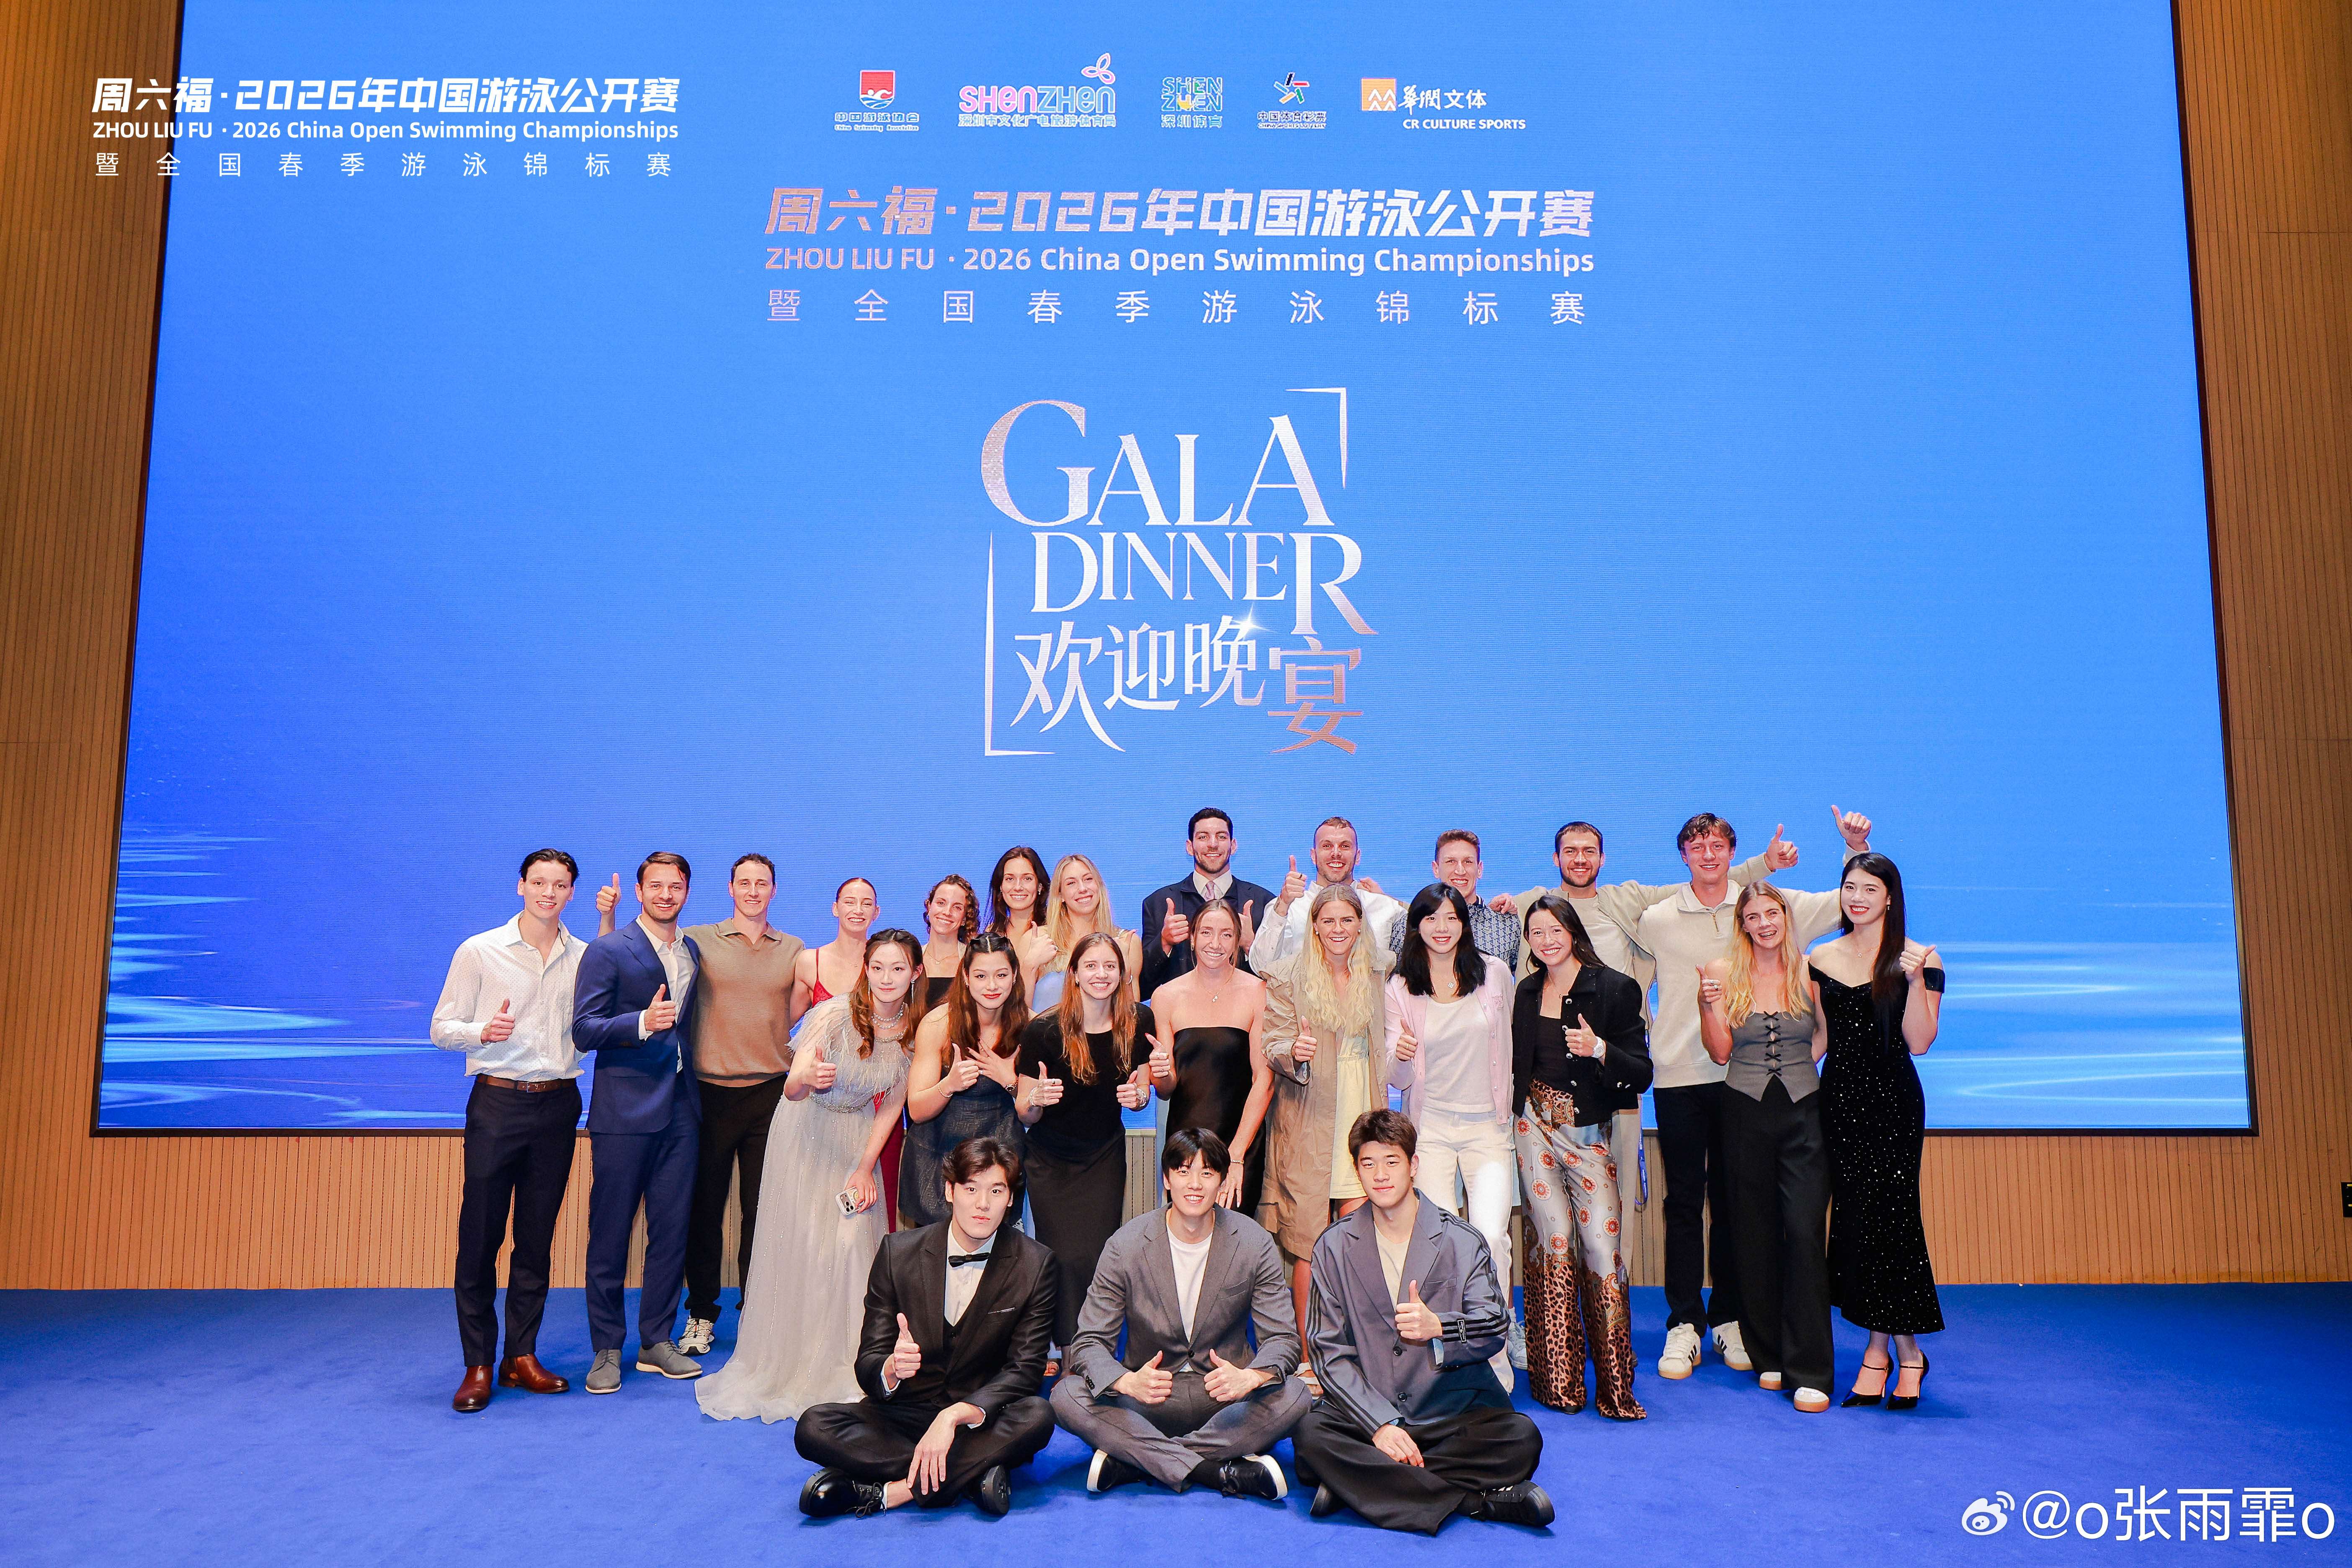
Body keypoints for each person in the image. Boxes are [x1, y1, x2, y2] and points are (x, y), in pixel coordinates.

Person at [1490, 822, 1784, 1307]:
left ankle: (1612, 1308)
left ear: (1602, 859)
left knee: (1616, 1200)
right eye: (1570, 851)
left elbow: (1702, 881)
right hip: (1547, 1093)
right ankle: (1564, 1312)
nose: (1580, 859)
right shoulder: (1530, 905)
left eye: (1589, 851)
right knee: (1551, 1218)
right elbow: (1453, 917)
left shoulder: (1625, 901)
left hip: (1615, 1076)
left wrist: (1764, 866)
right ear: (1556, 858)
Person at [1633, 807, 1872, 1380]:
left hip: (1750, 1087)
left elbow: (1847, 904)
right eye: (1697, 847)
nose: (1708, 855)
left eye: (1718, 845)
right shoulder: (1657, 918)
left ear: (1732, 853)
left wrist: (1854, 849)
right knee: (1683, 1203)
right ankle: (1684, 1323)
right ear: (1683, 856)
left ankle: (1730, 1317)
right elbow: (1627, 973)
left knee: (1739, 1209)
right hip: (1683, 1076)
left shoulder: (1770, 904)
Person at [695, 929, 926, 1421]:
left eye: (898, 968)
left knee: (851, 1247)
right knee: (805, 1245)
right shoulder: (834, 1014)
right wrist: (808, 1079)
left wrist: (865, 1167)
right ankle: (793, 1361)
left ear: (916, 973)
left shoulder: (914, 1030)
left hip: (857, 1138)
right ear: (866, 970)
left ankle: (851, 1362)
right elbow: (793, 1087)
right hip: (806, 1133)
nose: (886, 978)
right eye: (878, 968)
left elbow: (893, 1105)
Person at [1292, 1111, 1551, 1533]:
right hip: (1371, 1413)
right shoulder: (1333, 1246)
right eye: (1368, 1163)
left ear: (1413, 1165)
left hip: (1451, 1413)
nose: (1380, 1175)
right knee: (1309, 1434)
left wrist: (1441, 1328)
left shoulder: (1462, 1239)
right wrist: (1379, 1424)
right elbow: (1327, 1352)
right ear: (1357, 1170)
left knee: (1521, 1440)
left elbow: (1494, 1326)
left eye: (1391, 1161)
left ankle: (1357, 1484)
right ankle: (1473, 1502)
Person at [430, 847, 614, 1412]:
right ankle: (478, 1363)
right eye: (539, 883)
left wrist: (608, 923)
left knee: (536, 1240)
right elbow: (441, 1028)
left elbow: (599, 1016)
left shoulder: (584, 956)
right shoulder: (480, 950)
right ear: (521, 886)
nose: (548, 893)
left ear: (572, 893)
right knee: (480, 1238)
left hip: (558, 1106)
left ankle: (521, 1356)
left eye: (560, 885)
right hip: (498, 1103)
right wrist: (482, 1031)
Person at [796, 1137, 1058, 1518]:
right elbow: (868, 1362)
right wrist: (890, 1368)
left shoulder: (1036, 1264)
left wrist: (953, 1416)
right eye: (971, 1189)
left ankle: (893, 1492)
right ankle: (971, 1474)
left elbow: (1025, 1370)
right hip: (905, 1414)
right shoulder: (898, 1253)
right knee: (813, 1426)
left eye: (996, 1191)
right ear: (950, 1191)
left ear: (1011, 1199)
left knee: (1038, 1416)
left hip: (977, 1419)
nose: (983, 1204)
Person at [1052, 1128, 1310, 1499]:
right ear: (1167, 1179)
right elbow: (1089, 1342)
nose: (1195, 1184)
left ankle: (1137, 1460)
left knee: (1296, 1394)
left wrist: (1251, 1377)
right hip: (1147, 1399)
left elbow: (1284, 1339)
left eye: (1207, 1173)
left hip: (1227, 1400)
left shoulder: (1254, 1243)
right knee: (1067, 1395)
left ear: (1222, 1181)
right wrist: (1126, 1383)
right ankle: (1215, 1470)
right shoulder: (1125, 1245)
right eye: (1184, 1171)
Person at [1808, 852, 1943, 1411]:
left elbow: (1920, 1041)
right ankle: (1899, 1353)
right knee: (1859, 1226)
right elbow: (1820, 1039)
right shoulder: (1820, 957)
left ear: (1890, 897)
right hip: (1838, 1103)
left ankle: (1881, 1354)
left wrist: (1912, 980)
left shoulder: (1920, 956)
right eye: (1850, 887)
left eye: (1870, 888)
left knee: (1893, 1223)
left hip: (1893, 1104)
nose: (1857, 897)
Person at [570, 852, 705, 1394]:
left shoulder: (691, 950)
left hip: (682, 1110)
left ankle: (656, 1341)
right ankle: (606, 1347)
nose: (666, 895)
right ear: (641, 891)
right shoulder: (608, 949)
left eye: (676, 886)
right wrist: (642, 1023)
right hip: (624, 1112)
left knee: (671, 1232)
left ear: (687, 892)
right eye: (657, 886)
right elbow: (584, 1029)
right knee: (610, 1234)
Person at [1512, 895, 1651, 1418]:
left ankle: (1616, 1387)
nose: (1547, 941)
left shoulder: (1615, 987)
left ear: (1573, 932)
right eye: (1537, 932)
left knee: (1601, 1250)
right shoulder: (1527, 991)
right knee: (1553, 1242)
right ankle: (1558, 1384)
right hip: (1533, 1129)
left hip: (1589, 1135)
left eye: (1556, 930)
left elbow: (1641, 1072)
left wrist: (1600, 1050)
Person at [1699, 882, 1833, 1412]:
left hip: (1804, 1112)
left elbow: (1823, 1037)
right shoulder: (1722, 971)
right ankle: (1768, 1353)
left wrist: (1798, 1071)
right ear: (1743, 925)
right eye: (1752, 916)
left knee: (1803, 1233)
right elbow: (1719, 1052)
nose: (1764, 924)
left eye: (1771, 913)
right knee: (1753, 1235)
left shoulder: (1811, 970)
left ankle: (1811, 1368)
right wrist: (1709, 1007)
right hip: (1743, 1111)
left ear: (1785, 915)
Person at [676, 853, 807, 1359]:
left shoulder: (793, 949)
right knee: (704, 1211)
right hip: (708, 1093)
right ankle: (701, 1314)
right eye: (745, 882)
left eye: (763, 883)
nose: (753, 891)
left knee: (762, 1211)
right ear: (730, 888)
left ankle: (756, 1313)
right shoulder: (698, 940)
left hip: (769, 1095)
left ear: (774, 890)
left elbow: (800, 1010)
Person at [1386, 882, 1518, 1382]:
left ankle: (1495, 1353)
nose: (1442, 928)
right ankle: (1448, 1356)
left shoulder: (1495, 974)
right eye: (1431, 918)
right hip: (1432, 1131)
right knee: (1440, 1244)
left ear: (1465, 923)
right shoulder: (1400, 987)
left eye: (1451, 918)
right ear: (1416, 926)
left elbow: (1511, 1044)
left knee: (1491, 1237)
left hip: (1488, 1128)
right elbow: (1397, 1079)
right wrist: (1400, 1056)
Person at [1260, 883, 1395, 1357]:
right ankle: (1307, 1355)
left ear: (1360, 925)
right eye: (1328, 921)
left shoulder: (1379, 971)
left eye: (1347, 920)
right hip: (1310, 1118)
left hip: (1365, 1117)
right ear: (1314, 926)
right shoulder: (1287, 976)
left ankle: (1355, 1352)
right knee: (1309, 1245)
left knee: (1358, 1241)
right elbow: (1272, 1044)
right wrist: (1293, 1051)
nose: (1338, 929)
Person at [1017, 930, 1154, 1354]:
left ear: (1122, 973)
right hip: (1050, 1159)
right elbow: (1024, 1110)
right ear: (1073, 974)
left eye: (1110, 966)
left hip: (1104, 1156)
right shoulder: (1043, 1030)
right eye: (1091, 966)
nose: (1101, 974)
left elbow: (1143, 1090)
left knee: (1095, 1257)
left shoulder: (1139, 1022)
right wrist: (1037, 1100)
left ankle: (1093, 1351)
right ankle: (1068, 1353)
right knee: (1063, 1258)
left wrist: (1139, 1098)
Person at [1145, 901, 1271, 1215]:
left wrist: (1237, 1155)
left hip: (1241, 1142)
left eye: (1226, 934)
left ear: (1238, 940)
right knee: (1186, 1232)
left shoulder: (1258, 992)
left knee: (1235, 1236)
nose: (1215, 943)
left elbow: (1264, 1081)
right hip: (1185, 1146)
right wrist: (1160, 1072)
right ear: (1192, 938)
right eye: (1206, 933)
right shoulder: (1166, 996)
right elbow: (1166, 1088)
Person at [901, 933, 1029, 1230]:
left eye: (1001, 975)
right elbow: (917, 1110)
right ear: (966, 978)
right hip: (939, 1157)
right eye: (981, 976)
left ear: (1014, 976)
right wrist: (949, 1085)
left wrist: (1010, 1081)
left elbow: (1035, 1114)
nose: (992, 986)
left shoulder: (1032, 1026)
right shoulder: (938, 1024)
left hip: (1001, 1157)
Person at [1138, 807, 1275, 999]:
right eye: (1203, 837)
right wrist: (1164, 943)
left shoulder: (1264, 902)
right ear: (1190, 847)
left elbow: (1277, 986)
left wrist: (1250, 946)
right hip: (1180, 1014)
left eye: (1221, 837)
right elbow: (1141, 988)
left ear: (1233, 845)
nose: (1213, 844)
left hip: (1245, 1014)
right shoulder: (1158, 903)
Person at [1248, 817, 1406, 971]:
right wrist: (1283, 904)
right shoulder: (1289, 907)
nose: (1336, 853)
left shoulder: (1385, 906)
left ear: (1357, 857)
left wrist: (1391, 900)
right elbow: (1262, 967)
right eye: (1327, 846)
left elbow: (1421, 923)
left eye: (1345, 846)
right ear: (1313, 856)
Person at [1387, 831, 1519, 970]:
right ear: (1436, 869)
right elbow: (1394, 977)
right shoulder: (1407, 925)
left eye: (1468, 862)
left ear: (1479, 869)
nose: (1460, 871)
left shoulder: (1505, 923)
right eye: (1451, 862)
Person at [1030, 853, 1144, 1012]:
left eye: (1089, 879)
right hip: (1045, 1028)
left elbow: (1133, 1015)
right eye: (1072, 883)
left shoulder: (1127, 943)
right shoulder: (1037, 939)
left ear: (1099, 886)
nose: (1083, 889)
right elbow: (1019, 1011)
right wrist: (1030, 966)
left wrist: (1125, 971)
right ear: (1060, 895)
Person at [985, 846, 1058, 995]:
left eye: (1027, 879)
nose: (1018, 887)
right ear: (1001, 886)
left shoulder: (1054, 933)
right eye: (1010, 879)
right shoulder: (991, 934)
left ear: (1040, 886)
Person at [918, 874, 977, 1008]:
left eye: (957, 907)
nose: (947, 912)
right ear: (929, 907)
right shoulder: (911, 960)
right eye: (941, 903)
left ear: (965, 918)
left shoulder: (973, 961)